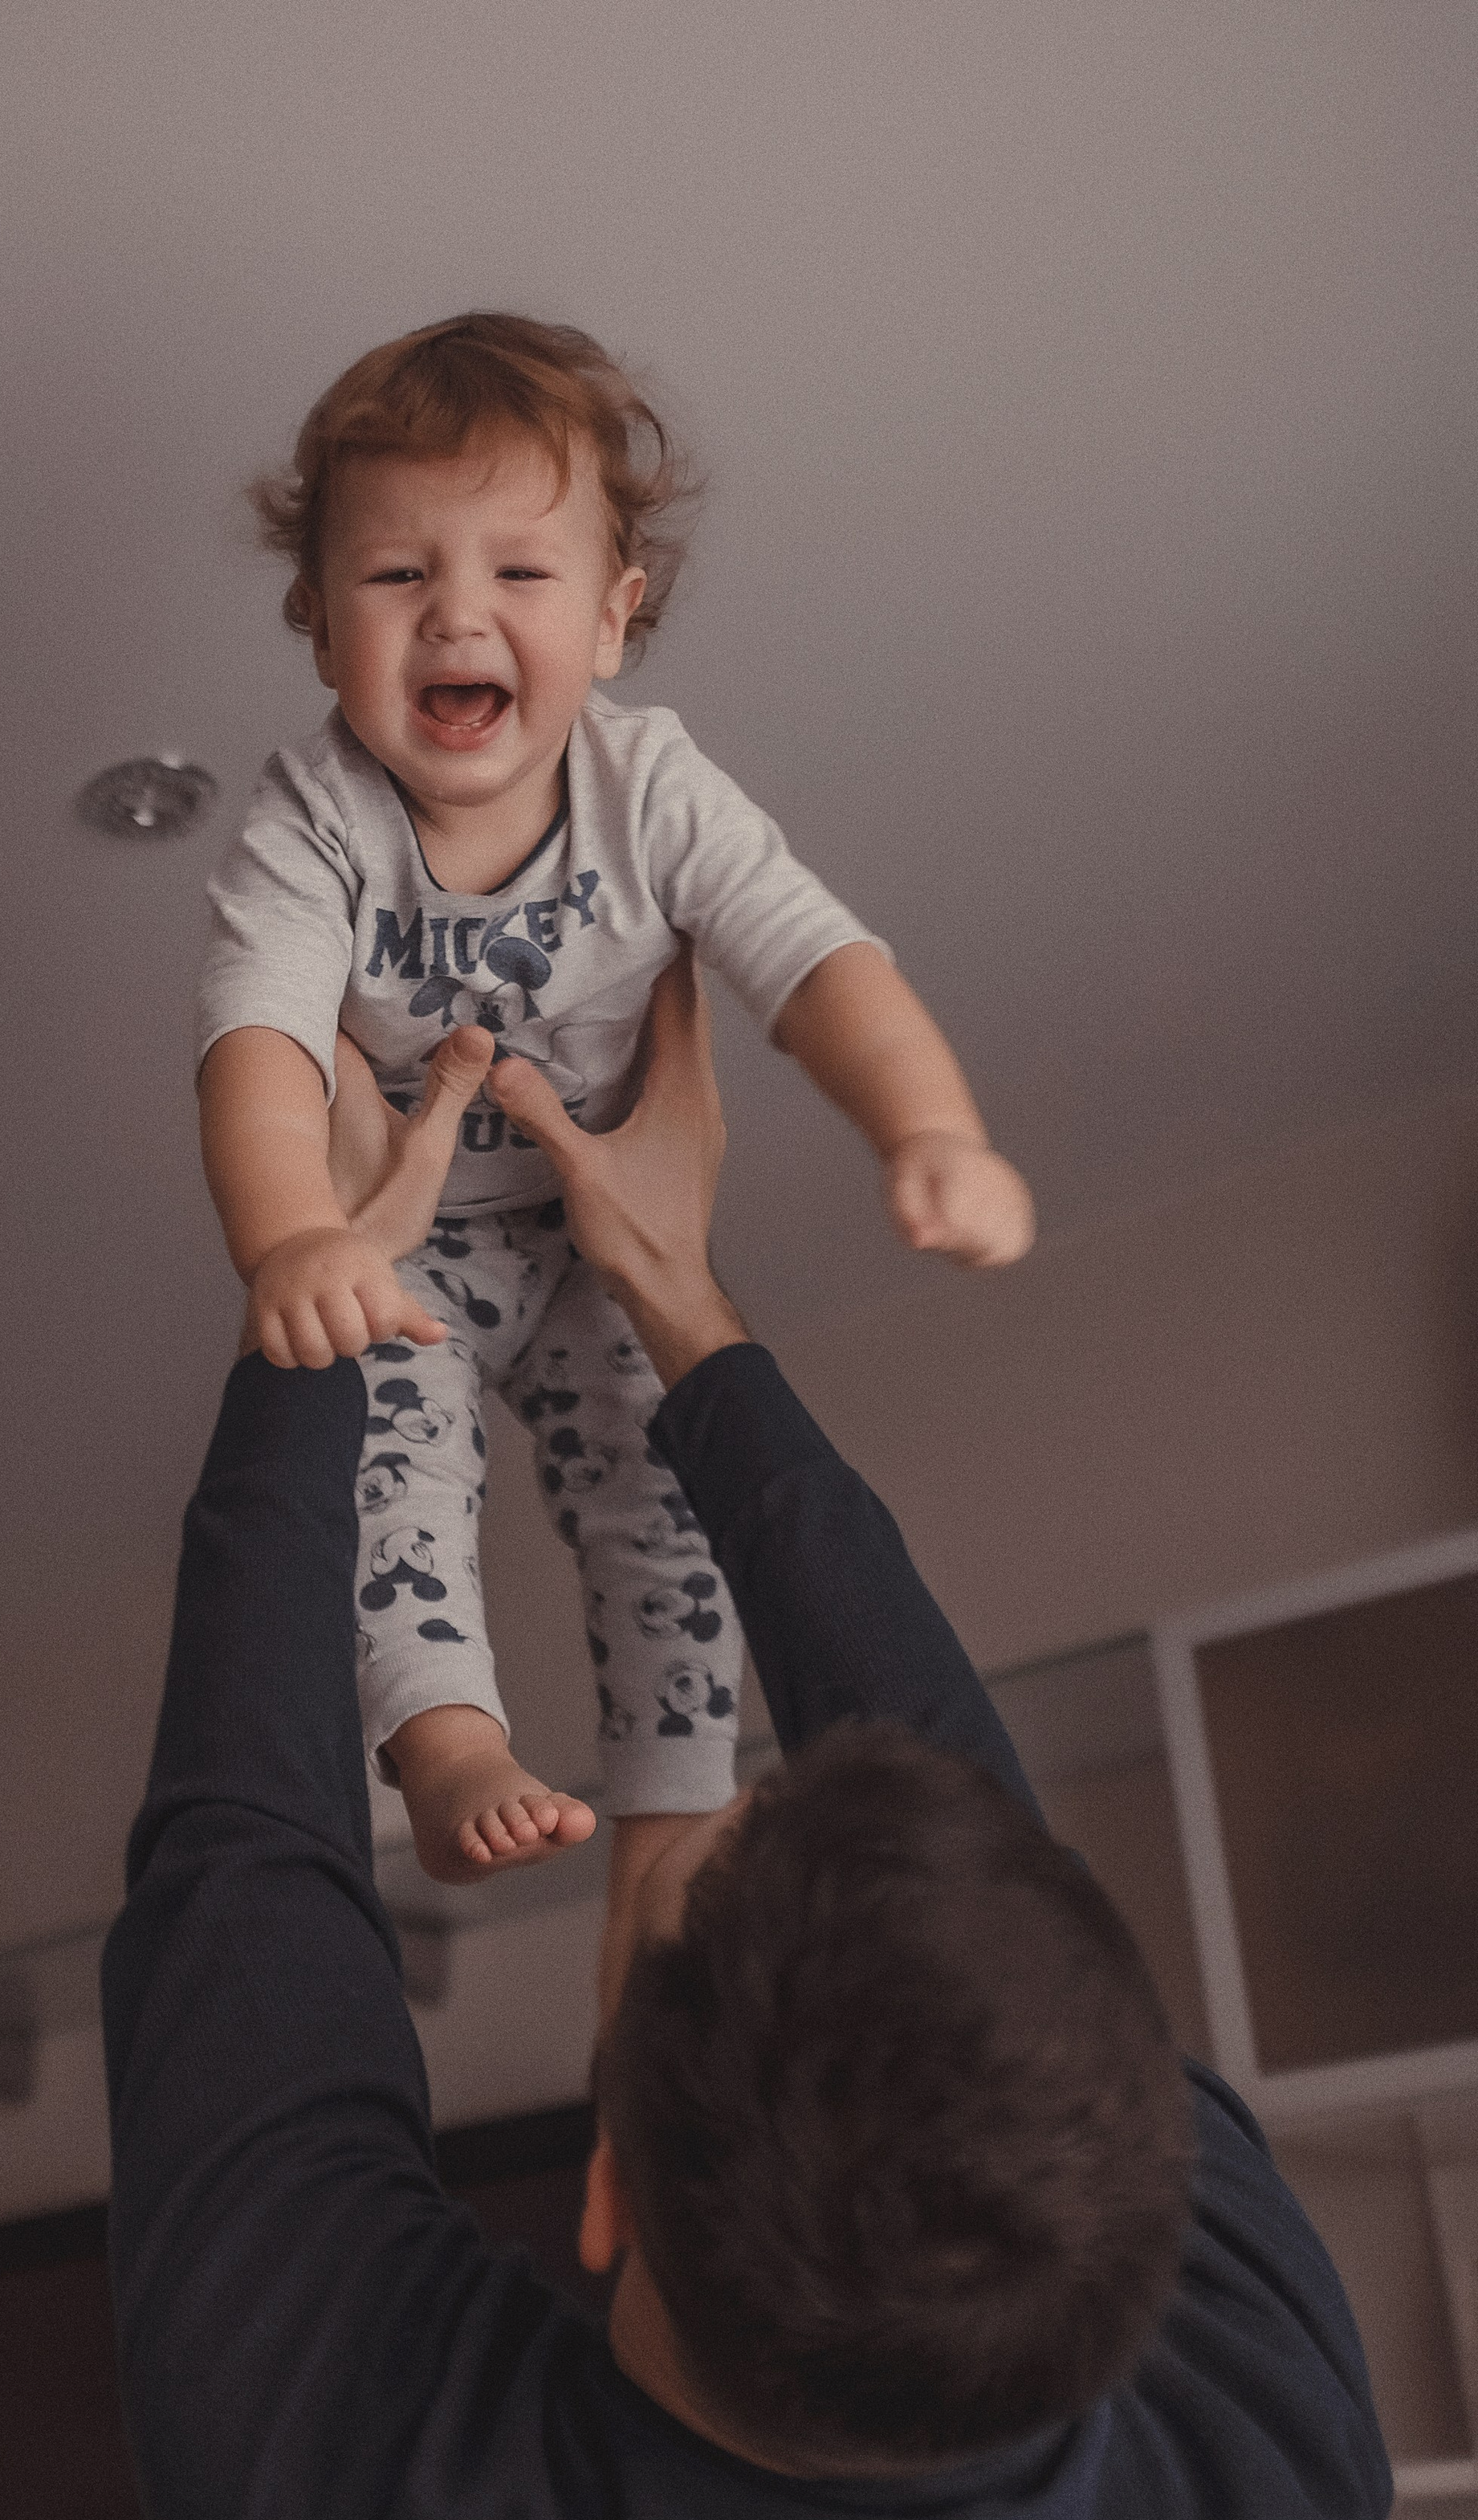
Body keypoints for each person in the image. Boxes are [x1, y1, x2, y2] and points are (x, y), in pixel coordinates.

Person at [102, 957, 1390, 2520]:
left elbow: (247, 1864)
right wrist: (659, 1308)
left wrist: (351, 1268)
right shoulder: (1259, 2471)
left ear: (605, 2191)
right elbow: (236, 1879)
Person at [192, 312, 1036, 2019]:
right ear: (319, 626)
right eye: (396, 575)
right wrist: (294, 1239)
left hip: (595, 1246)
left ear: (611, 615)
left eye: (520, 570)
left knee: (670, 1506)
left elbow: (815, 963)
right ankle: (446, 1748)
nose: (457, 614)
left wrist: (927, 1126)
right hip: (412, 1247)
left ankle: (668, 1804)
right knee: (389, 1462)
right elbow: (259, 1048)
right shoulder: (312, 821)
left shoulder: (650, 788)